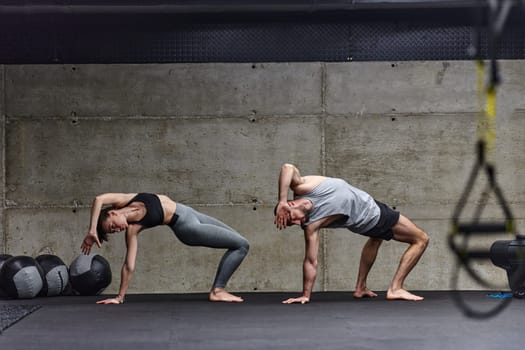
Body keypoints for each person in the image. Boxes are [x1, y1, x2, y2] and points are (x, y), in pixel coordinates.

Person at [274, 163, 429, 304]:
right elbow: (310, 261)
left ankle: (360, 287)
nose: (297, 223)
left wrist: (281, 200)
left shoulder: (303, 188)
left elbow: (287, 167)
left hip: (369, 209)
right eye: (292, 225)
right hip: (374, 215)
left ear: (291, 204)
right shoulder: (311, 225)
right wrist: (305, 295)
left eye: (291, 219)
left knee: (376, 238)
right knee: (421, 239)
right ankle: (396, 288)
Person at [81, 192, 249, 304]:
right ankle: (217, 290)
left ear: (112, 213)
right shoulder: (133, 229)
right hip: (187, 226)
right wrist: (119, 297)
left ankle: (218, 290)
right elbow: (129, 265)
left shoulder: (125, 199)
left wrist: (92, 229)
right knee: (242, 245)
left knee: (240, 242)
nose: (118, 230)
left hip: (191, 212)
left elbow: (99, 199)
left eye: (112, 227)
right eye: (114, 231)